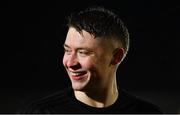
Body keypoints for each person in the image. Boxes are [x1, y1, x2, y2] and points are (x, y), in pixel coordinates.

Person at [21, 6, 163, 113]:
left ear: (116, 57)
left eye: (83, 52)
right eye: (67, 50)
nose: (70, 63)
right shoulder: (39, 112)